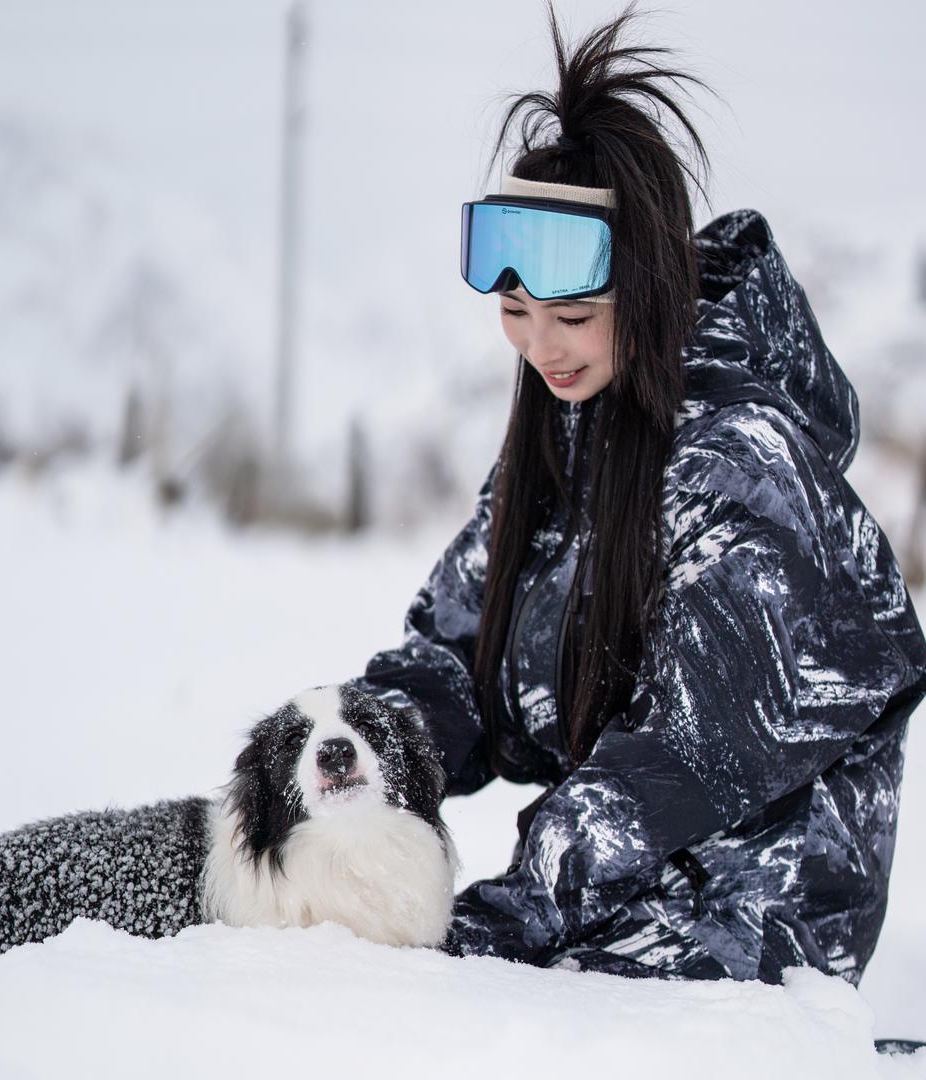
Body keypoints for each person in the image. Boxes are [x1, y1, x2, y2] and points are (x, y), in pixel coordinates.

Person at [350, 4, 926, 985]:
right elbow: (459, 657)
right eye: (516, 314)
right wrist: (348, 767)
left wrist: (494, 919)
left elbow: (676, 760)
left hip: (746, 944)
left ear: (650, 287)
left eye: (573, 315)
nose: (542, 348)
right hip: (608, 905)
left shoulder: (746, 463)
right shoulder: (576, 428)